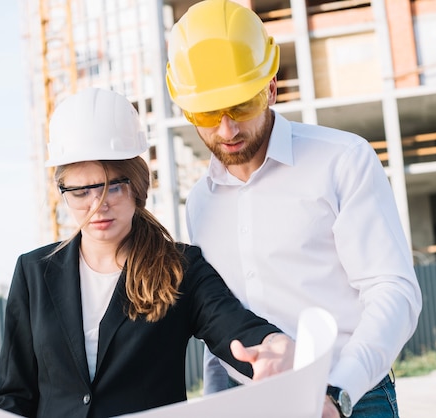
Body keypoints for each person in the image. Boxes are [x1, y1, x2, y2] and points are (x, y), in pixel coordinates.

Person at [165, 1, 422, 417]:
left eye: (242, 105)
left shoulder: (342, 159)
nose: (226, 130)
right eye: (209, 112)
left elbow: (393, 291)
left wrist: (338, 391)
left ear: (270, 87)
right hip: (253, 404)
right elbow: (218, 316)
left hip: (353, 398)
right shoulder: (200, 202)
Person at [0, 87, 294, 418]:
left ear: (137, 186)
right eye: (80, 192)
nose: (98, 206)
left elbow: (233, 326)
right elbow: (14, 394)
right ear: (64, 192)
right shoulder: (34, 272)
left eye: (113, 187)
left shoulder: (180, 268)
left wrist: (270, 345)